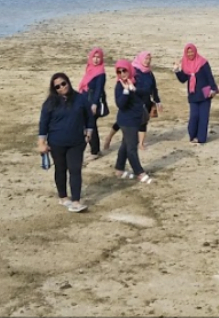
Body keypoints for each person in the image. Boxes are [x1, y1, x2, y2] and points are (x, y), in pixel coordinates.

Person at [37, 72, 94, 213]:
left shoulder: (80, 99)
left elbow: (89, 117)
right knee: (60, 169)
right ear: (54, 89)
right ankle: (63, 197)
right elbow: (43, 124)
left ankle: (76, 201)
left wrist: (89, 132)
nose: (62, 87)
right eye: (57, 86)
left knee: (75, 169)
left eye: (63, 83)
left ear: (68, 82)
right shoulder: (49, 103)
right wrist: (41, 143)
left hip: (76, 142)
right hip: (56, 143)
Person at [103, 50, 163, 151]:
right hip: (133, 101)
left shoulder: (150, 73)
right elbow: (126, 84)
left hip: (145, 100)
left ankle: (141, 144)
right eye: (145, 59)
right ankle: (109, 138)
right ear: (140, 58)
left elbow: (153, 88)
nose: (147, 61)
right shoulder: (133, 71)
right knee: (120, 122)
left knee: (143, 122)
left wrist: (157, 101)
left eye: (149, 59)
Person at [111, 59, 154, 184]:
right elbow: (121, 105)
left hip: (136, 118)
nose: (122, 73)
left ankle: (119, 169)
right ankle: (139, 172)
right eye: (119, 72)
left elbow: (146, 91)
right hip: (126, 121)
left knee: (125, 144)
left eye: (124, 70)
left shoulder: (137, 80)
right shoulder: (119, 86)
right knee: (131, 147)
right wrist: (126, 91)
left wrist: (133, 88)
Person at [174, 43, 219, 144]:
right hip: (193, 94)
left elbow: (209, 76)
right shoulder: (185, 64)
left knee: (203, 116)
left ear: (195, 51)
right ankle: (192, 136)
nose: (190, 54)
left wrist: (213, 89)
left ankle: (201, 138)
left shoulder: (203, 62)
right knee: (194, 116)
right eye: (188, 52)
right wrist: (177, 70)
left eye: (191, 51)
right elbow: (183, 79)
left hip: (206, 92)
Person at [78, 47, 108, 161]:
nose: (96, 60)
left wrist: (94, 104)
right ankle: (95, 149)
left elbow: (99, 89)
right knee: (89, 125)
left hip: (92, 101)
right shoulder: (90, 68)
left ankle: (94, 151)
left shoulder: (101, 72)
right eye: (94, 57)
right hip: (85, 99)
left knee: (90, 125)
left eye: (98, 57)